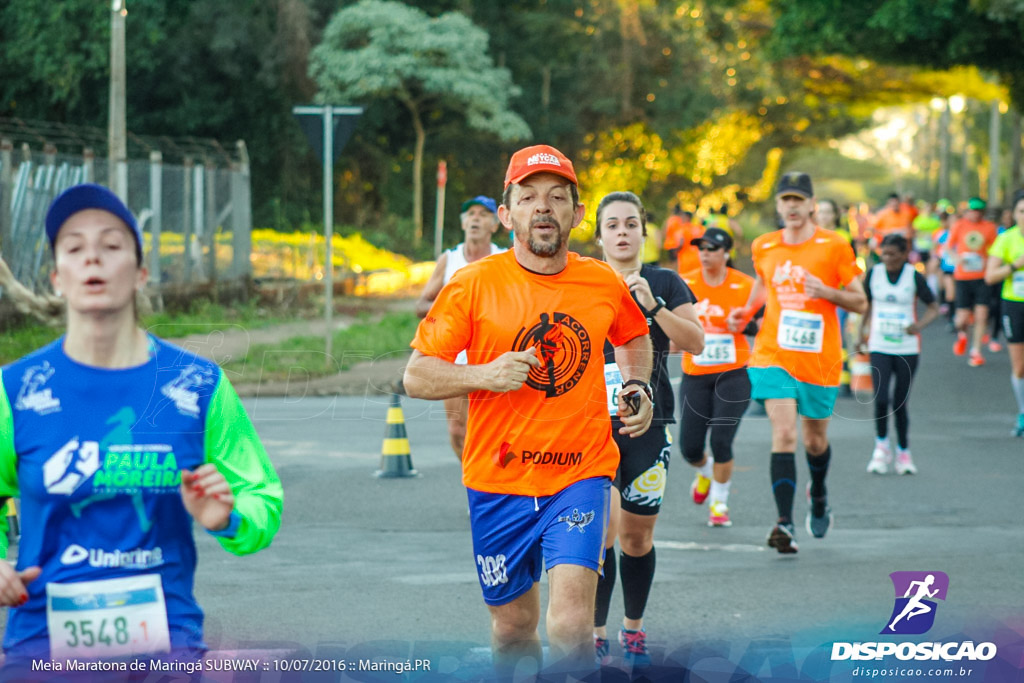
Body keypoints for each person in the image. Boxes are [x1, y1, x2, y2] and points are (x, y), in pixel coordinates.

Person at [0, 184, 283, 667]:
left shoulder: (198, 385)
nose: (93, 258)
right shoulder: (15, 389)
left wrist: (229, 517)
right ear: (57, 277)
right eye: (74, 247)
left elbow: (262, 496)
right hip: (42, 645)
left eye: (111, 246)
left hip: (165, 646)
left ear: (141, 273)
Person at [403, 145, 654, 677]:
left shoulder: (601, 281)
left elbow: (634, 335)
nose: (544, 207)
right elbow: (417, 374)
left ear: (576, 215)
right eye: (529, 196)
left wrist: (637, 384)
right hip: (498, 481)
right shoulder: (471, 285)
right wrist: (483, 375)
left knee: (568, 626)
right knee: (514, 628)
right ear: (506, 214)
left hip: (580, 476)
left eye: (557, 197)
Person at [727, 172, 866, 554]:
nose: (791, 206)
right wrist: (746, 311)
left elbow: (860, 301)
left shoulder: (834, 247)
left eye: (797, 199)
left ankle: (818, 494)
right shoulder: (764, 246)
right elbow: (762, 282)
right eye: (784, 199)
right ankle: (784, 523)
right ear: (778, 205)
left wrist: (826, 292)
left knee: (815, 441)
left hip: (820, 358)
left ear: (810, 204)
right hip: (773, 353)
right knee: (785, 433)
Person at [592, 192, 703, 668]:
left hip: (648, 424)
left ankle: (631, 629)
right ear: (598, 235)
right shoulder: (581, 281)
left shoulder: (664, 281)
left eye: (630, 223)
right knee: (600, 534)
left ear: (643, 232)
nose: (621, 231)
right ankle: (594, 633)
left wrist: (653, 306)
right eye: (612, 224)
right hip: (589, 425)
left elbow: (695, 342)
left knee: (636, 538)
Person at [414, 195, 505, 461]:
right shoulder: (449, 259)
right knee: (457, 431)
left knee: (496, 432)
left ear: (495, 224)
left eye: (483, 214)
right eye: (470, 214)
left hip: (494, 357)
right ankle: (472, 487)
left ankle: (492, 490)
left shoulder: (505, 259)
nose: (475, 218)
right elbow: (422, 304)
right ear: (463, 223)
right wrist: (449, 303)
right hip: (453, 359)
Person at [679, 227, 755, 528]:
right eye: (701, 248)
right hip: (695, 373)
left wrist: (745, 325)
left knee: (722, 440)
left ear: (726, 253)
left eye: (712, 248)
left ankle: (719, 503)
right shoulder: (686, 283)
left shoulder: (745, 285)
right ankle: (705, 471)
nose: (705, 253)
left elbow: (764, 325)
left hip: (733, 373)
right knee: (690, 448)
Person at [860, 234, 939, 475]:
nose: (888, 258)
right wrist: (859, 332)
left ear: (905, 255)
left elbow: (934, 307)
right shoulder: (873, 275)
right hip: (879, 344)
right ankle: (881, 447)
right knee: (881, 399)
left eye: (893, 254)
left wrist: (919, 325)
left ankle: (904, 452)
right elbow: (866, 304)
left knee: (899, 403)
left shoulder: (913, 277)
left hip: (906, 347)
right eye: (884, 253)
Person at [984, 189, 1024, 436]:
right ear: (1014, 214)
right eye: (1022, 211)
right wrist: (1014, 265)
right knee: (1019, 367)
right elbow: (990, 276)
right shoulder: (1006, 239)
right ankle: (1022, 413)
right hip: (1014, 305)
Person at [949, 197, 999, 366]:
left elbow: (995, 249)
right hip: (963, 277)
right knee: (961, 319)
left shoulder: (990, 227)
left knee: (981, 315)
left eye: (978, 210)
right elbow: (947, 247)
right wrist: (956, 258)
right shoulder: (959, 225)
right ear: (967, 211)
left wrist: (989, 261)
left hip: (982, 277)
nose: (975, 213)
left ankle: (975, 351)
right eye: (972, 210)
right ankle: (963, 334)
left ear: (982, 212)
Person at [662, 205, 702, 275]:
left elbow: (681, 242)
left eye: (683, 217)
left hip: (685, 259)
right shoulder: (698, 228)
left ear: (687, 217)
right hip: (697, 258)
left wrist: (676, 250)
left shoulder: (681, 228)